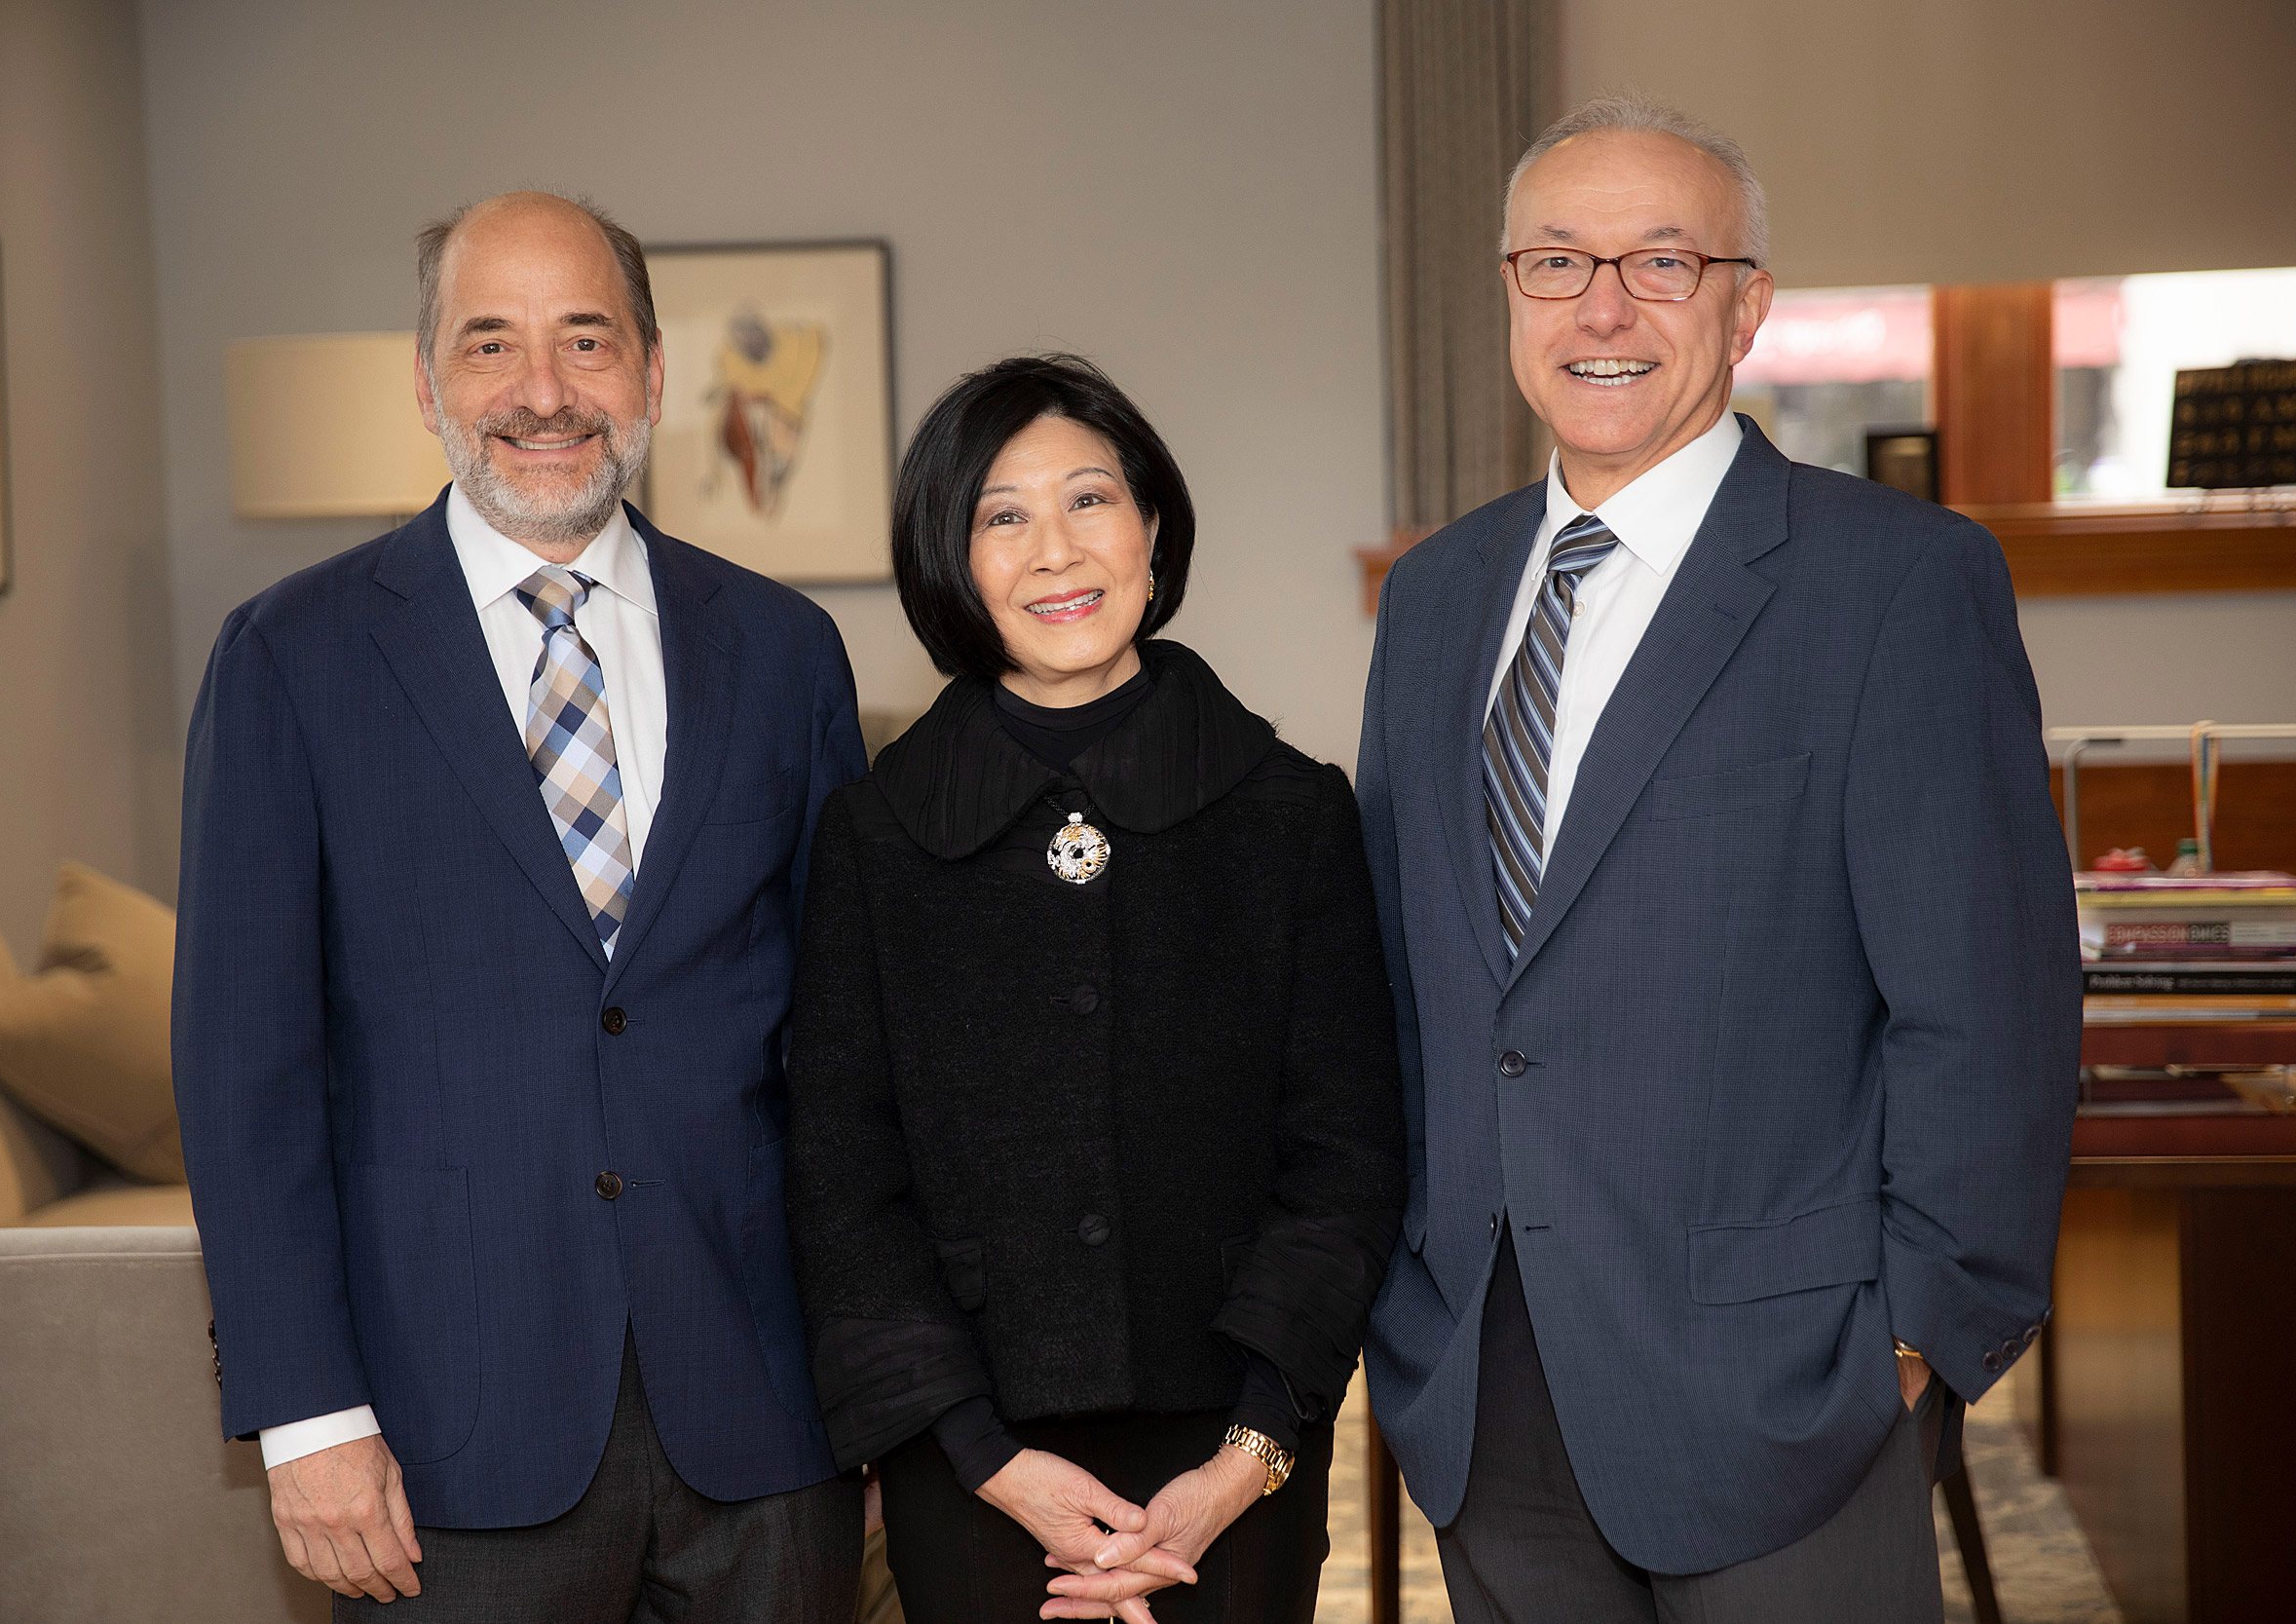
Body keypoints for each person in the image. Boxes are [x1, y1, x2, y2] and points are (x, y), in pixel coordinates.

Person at [1358, 94, 2081, 1623]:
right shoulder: (1434, 598)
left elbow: (1988, 1007)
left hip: (1790, 1389)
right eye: (1555, 263)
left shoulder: (1894, 584)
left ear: (1748, 305)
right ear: (1507, 293)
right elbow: (1416, 985)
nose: (1601, 307)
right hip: (1487, 1382)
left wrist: (1921, 1340)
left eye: (1661, 262)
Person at [173, 191, 866, 1621]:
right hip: (442, 1443)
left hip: (766, 1422)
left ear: (654, 375)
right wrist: (308, 1418)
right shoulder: (289, 659)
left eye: (586, 342)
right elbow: (247, 1074)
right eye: (491, 346)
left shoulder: (787, 654)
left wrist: (878, 1383)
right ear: (426, 385)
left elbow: (847, 1057)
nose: (544, 393)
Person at [785, 354, 1404, 1622]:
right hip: (969, 1463)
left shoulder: (1289, 814)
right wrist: (982, 1460)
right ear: (949, 558)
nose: (1054, 550)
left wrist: (1246, 1457)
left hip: (1238, 1456)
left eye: (1089, 500)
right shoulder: (876, 836)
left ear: (1154, 525)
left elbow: (1345, 1160)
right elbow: (842, 1174)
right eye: (1002, 515)